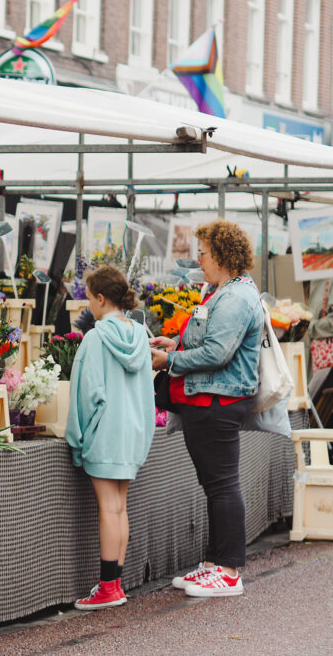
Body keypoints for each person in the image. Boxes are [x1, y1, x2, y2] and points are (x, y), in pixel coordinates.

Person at [149, 219, 264, 599]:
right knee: (216, 485)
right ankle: (217, 563)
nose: (198, 260)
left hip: (218, 401)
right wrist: (176, 342)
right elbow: (209, 338)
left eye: (202, 253)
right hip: (210, 399)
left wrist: (168, 360)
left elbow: (218, 352)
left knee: (222, 485)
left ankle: (229, 571)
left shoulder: (233, 298)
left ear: (222, 255)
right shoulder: (227, 291)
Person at [66, 265, 154, 611]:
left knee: (108, 508)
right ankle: (114, 584)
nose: (88, 306)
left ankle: (107, 588)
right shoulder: (140, 335)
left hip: (104, 434)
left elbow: (84, 396)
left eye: (89, 299)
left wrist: (77, 440)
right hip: (132, 435)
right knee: (120, 507)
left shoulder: (96, 338)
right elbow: (148, 394)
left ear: (101, 299)